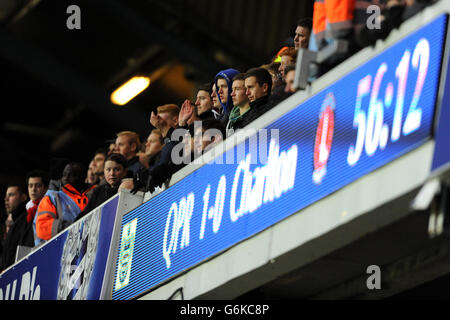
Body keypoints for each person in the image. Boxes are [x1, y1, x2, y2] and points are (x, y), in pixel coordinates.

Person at [34, 162, 95, 244]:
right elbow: (43, 226)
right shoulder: (52, 196)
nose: (66, 178)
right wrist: (74, 228)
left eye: (72, 175)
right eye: (64, 174)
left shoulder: (95, 194)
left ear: (83, 178)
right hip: (60, 250)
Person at [75, 154, 128, 221]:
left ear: (125, 172)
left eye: (116, 169)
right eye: (108, 169)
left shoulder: (129, 186)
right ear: (104, 171)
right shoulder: (98, 191)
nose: (112, 173)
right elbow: (86, 213)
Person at [1, 183, 28, 271]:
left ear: (23, 197)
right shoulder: (15, 221)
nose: (6, 199)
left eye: (11, 195)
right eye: (6, 196)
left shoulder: (26, 219)